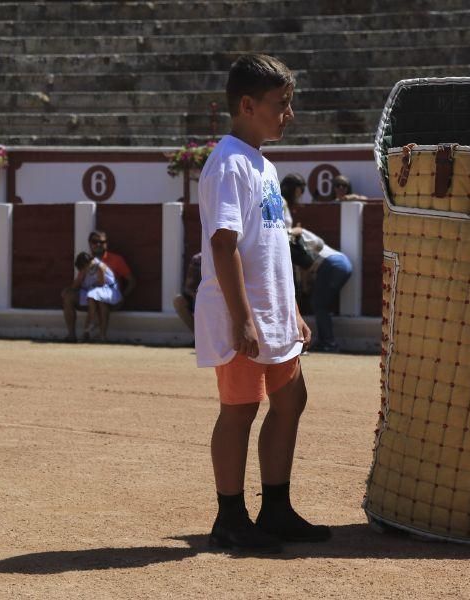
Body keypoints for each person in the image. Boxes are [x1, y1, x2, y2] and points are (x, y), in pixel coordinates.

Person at [194, 53, 330, 554]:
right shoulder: (228, 162)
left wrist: (290, 310)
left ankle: (275, 506)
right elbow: (224, 244)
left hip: (273, 312)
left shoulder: (264, 164)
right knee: (240, 409)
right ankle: (229, 516)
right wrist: (242, 317)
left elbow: (268, 246)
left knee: (292, 399)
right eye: (280, 104)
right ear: (248, 105)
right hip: (245, 314)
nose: (287, 114)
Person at [61, 230, 136, 342]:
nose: (98, 244)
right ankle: (72, 335)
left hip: (108, 295)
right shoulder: (86, 260)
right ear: (90, 243)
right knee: (68, 296)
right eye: (94, 242)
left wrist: (123, 297)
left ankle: (100, 336)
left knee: (100, 299)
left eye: (101, 242)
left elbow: (131, 281)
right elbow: (76, 285)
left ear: (106, 243)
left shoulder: (116, 259)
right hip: (91, 293)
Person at [288, 226, 352, 352]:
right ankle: (325, 340)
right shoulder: (294, 247)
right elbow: (304, 270)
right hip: (341, 263)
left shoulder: (290, 236)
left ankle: (328, 342)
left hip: (332, 264)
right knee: (321, 304)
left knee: (320, 304)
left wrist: (287, 232)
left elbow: (299, 229)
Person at [72, 251, 122, 342]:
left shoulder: (99, 267)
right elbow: (76, 285)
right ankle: (92, 324)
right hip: (96, 290)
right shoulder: (87, 268)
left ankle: (97, 330)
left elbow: (101, 283)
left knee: (97, 300)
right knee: (92, 298)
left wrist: (91, 288)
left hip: (109, 290)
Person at [173, 252, 202, 333]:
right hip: (200, 298)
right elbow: (189, 288)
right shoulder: (198, 259)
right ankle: (198, 336)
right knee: (178, 301)